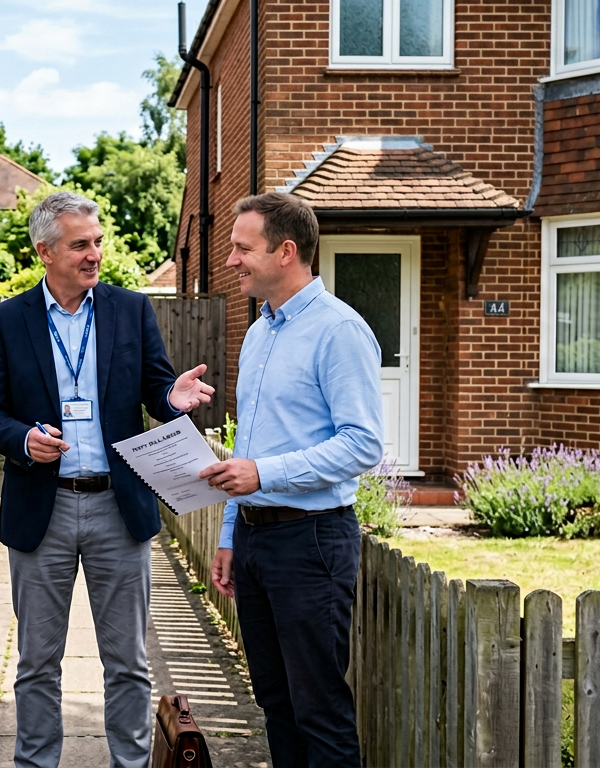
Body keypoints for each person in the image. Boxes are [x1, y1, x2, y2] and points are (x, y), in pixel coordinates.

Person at [0, 191, 215, 768]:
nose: (95, 254)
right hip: (42, 507)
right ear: (45, 252)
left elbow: (156, 387)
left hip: (117, 507)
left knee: (128, 660)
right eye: (81, 244)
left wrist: (172, 398)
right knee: (36, 661)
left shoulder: (130, 310)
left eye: (98, 241)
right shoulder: (7, 321)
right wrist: (22, 440)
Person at [199, 193, 383, 768]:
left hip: (312, 544)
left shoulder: (339, 331)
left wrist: (264, 474)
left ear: (286, 251)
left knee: (318, 709)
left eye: (241, 247)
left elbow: (363, 444)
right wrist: (231, 534)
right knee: (275, 702)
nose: (231, 260)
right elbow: (250, 445)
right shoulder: (260, 333)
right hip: (255, 542)